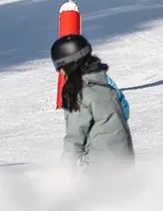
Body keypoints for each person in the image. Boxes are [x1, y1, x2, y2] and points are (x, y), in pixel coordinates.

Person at [51, 34, 134, 167]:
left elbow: (74, 141)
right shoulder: (106, 84)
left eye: (61, 68)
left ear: (70, 65)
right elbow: (124, 110)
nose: (61, 73)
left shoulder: (79, 93)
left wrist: (61, 174)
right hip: (125, 162)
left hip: (99, 169)